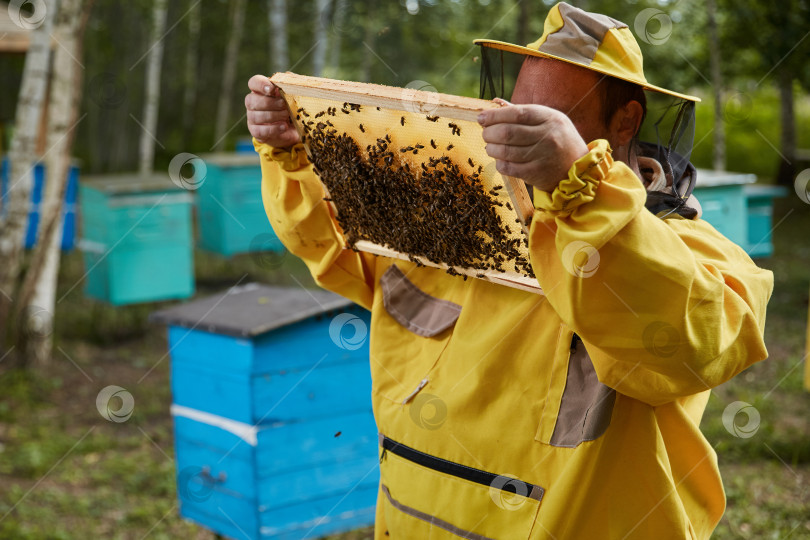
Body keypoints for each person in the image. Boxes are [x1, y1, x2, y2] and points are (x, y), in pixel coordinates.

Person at [245, 3, 773, 538]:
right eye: (521, 110)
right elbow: (344, 258)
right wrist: (298, 160)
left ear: (626, 121)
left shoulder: (696, 254)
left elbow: (697, 343)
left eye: (552, 119)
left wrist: (581, 189)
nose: (523, 130)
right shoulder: (455, 215)